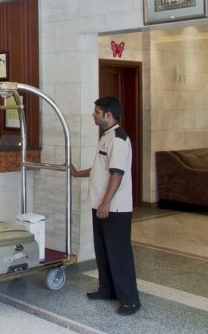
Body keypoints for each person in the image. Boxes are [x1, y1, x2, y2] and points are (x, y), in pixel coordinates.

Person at [70, 96, 141, 316]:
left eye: (96, 111)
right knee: (103, 251)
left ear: (108, 115)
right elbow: (100, 169)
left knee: (119, 254)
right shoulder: (106, 136)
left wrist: (106, 202)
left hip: (114, 208)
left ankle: (130, 301)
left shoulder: (118, 140)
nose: (93, 114)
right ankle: (107, 290)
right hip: (101, 205)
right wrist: (76, 173)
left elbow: (117, 173)